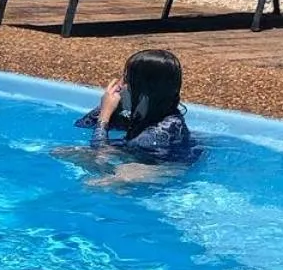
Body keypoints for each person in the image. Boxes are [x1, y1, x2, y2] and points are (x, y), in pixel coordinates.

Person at [57, 48, 196, 184]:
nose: (120, 83)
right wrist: (108, 106)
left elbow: (100, 156)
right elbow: (83, 125)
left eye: (126, 78)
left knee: (97, 184)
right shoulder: (149, 111)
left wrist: (105, 115)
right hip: (139, 156)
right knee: (61, 152)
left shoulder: (160, 130)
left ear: (143, 87)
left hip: (165, 168)